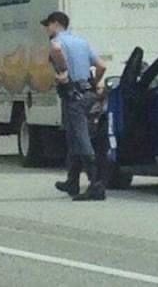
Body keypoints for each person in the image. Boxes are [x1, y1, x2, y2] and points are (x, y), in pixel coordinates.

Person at [40, 11, 107, 201]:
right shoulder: (82, 42)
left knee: (81, 137)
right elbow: (101, 66)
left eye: (48, 25)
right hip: (87, 93)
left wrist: (63, 71)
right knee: (73, 137)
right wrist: (95, 82)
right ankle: (72, 180)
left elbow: (57, 50)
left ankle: (96, 184)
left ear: (56, 24)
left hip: (73, 95)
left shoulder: (57, 42)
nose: (46, 29)